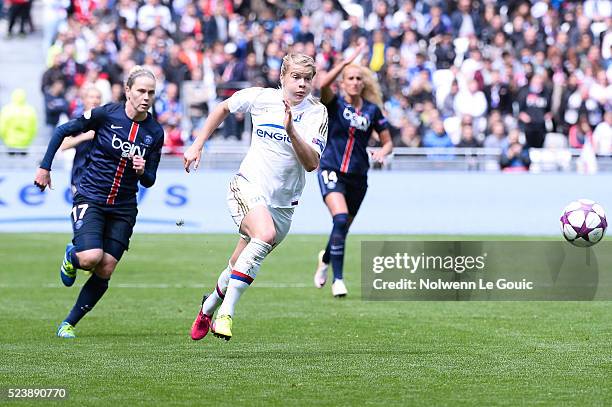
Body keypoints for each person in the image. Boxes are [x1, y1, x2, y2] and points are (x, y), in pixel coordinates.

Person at [185, 53, 328, 341]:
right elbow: (223, 107)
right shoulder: (261, 98)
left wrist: (291, 130)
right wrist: (198, 144)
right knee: (263, 234)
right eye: (296, 77)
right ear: (283, 78)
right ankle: (226, 312)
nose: (301, 84)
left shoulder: (317, 113)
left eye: (307, 79)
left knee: (238, 262)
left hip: (283, 206)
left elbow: (311, 163)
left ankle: (208, 305)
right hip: (247, 186)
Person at [33, 66, 164, 339]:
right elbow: (61, 131)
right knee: (91, 257)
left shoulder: (155, 132)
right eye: (140, 90)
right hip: (91, 196)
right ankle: (72, 255)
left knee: (106, 266)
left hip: (124, 207)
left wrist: (142, 171)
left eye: (151, 92)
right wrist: (45, 168)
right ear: (127, 91)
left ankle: (68, 323)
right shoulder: (106, 114)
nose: (146, 97)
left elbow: (150, 179)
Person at [313, 45, 393, 297]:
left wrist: (383, 151)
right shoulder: (333, 103)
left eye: (359, 78)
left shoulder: (372, 110)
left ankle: (324, 258)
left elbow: (388, 140)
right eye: (351, 78)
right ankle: (338, 279)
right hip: (331, 168)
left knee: (343, 227)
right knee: (339, 219)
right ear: (343, 82)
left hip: (358, 176)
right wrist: (345, 61)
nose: (356, 82)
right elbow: (322, 82)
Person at [59, 86, 103, 193]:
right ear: (84, 100)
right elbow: (63, 145)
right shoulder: (77, 120)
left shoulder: (106, 121)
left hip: (102, 176)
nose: (95, 100)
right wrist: (84, 137)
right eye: (91, 97)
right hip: (81, 175)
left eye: (97, 97)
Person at [0, 88, 37, 154]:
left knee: (10, 162)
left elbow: (2, 128)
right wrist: (29, 140)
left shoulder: (6, 110)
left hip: (10, 142)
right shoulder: (30, 110)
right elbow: (33, 129)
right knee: (24, 162)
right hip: (25, 142)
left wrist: (5, 139)